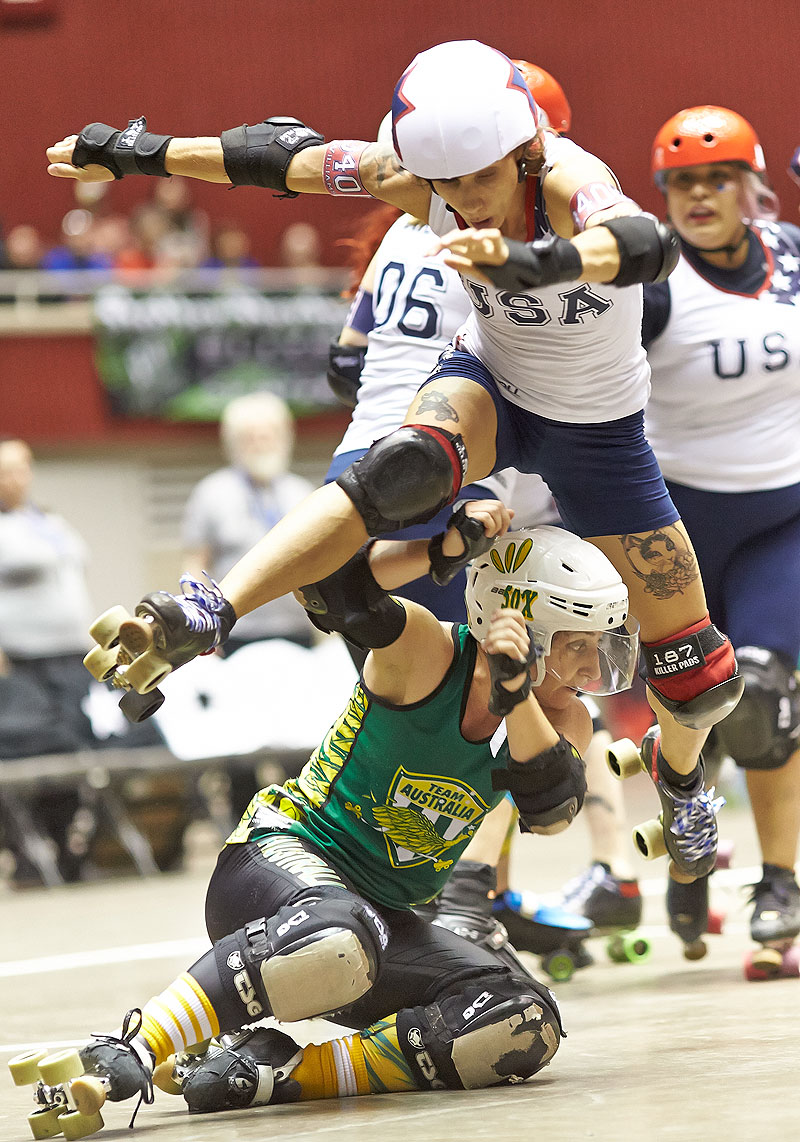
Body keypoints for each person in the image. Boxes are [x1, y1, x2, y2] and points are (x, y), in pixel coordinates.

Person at [49, 38, 741, 883]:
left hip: (597, 431)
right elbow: (283, 159)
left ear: (525, 152)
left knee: (700, 675)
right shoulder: (431, 182)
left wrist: (533, 261)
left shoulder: (564, 177)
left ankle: (681, 781)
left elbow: (639, 243)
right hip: (492, 382)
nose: (459, 203)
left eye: (476, 182)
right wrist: (137, 152)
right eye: (443, 186)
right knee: (400, 469)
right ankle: (208, 607)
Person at [46, 508, 639, 1121]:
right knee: (339, 933)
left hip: (382, 921)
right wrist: (440, 550)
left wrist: (515, 700)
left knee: (518, 1018)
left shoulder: (559, 715)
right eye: (576, 647)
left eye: (601, 649)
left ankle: (273, 1075)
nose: (594, 671)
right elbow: (331, 589)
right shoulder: (427, 649)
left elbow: (550, 811)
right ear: (523, 627)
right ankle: (137, 1042)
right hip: (278, 864)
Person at [641, 106, 800, 964]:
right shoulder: (650, 280)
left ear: (751, 185)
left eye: (717, 178)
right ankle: (688, 845)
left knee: (768, 696)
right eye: (682, 182)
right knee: (692, 703)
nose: (700, 195)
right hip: (679, 530)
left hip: (784, 515)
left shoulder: (795, 261)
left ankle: (779, 881)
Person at [0, 438, 97, 881]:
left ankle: (64, 850)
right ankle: (26, 854)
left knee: (74, 749)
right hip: (21, 662)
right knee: (30, 757)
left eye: (21, 469)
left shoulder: (47, 520)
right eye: (5, 471)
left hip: (70, 657)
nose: (14, 479)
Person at [181, 392, 316, 652]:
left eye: (268, 435)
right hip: (234, 633)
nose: (260, 444)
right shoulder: (211, 493)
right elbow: (195, 565)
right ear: (232, 444)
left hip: (296, 631)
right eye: (249, 437)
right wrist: (199, 630)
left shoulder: (303, 493)